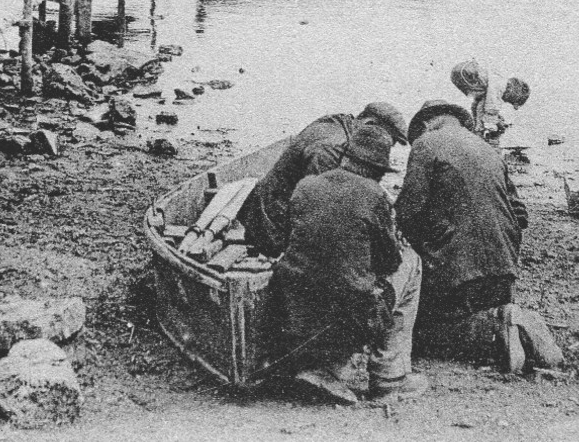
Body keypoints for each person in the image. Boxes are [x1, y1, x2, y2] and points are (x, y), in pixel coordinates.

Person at [397, 99, 562, 373]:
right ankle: (516, 321)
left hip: (456, 268)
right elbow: (520, 214)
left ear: (426, 124)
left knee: (423, 334)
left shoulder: (426, 144)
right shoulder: (488, 149)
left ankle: (495, 326)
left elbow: (408, 212)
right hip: (503, 269)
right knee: (473, 309)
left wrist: (418, 245)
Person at [275, 124, 426, 404]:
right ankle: (389, 376)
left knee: (325, 271)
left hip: (293, 309)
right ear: (378, 169)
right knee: (412, 263)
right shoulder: (375, 196)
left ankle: (324, 366)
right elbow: (388, 261)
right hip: (348, 315)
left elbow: (291, 242)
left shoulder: (306, 186)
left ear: (345, 157)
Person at [240, 102, 409, 257]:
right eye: (390, 141)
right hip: (273, 230)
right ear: (370, 124)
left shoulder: (341, 125)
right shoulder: (330, 150)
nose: (387, 148)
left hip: (280, 213)